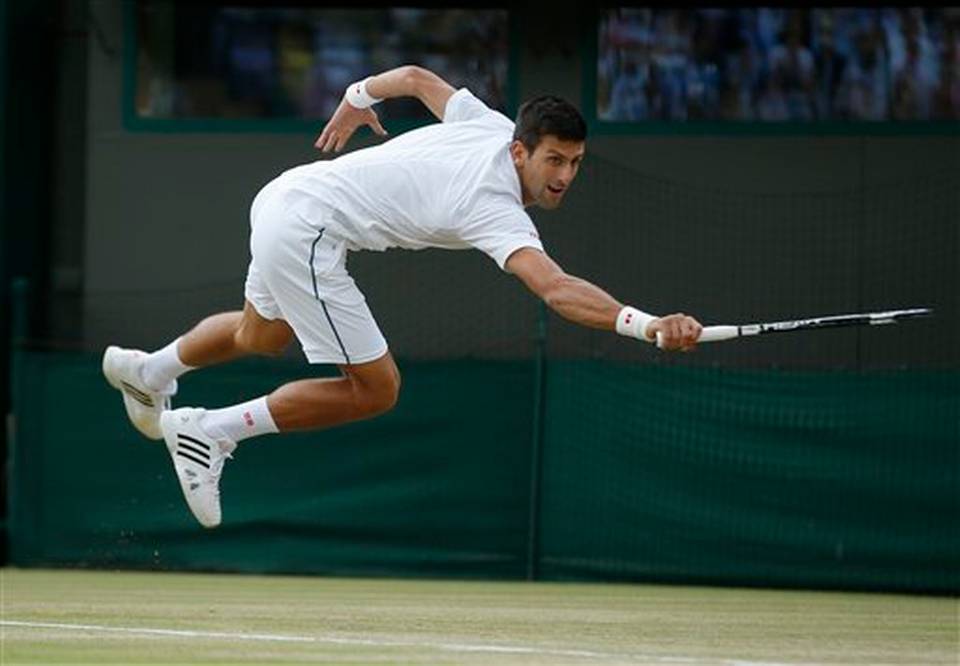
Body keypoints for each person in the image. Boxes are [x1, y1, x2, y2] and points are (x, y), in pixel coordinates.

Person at [102, 65, 703, 528]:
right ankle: (213, 429)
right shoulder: (493, 207)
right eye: (554, 159)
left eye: (574, 162)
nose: (564, 175)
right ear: (521, 151)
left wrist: (358, 97)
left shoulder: (486, 124)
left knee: (259, 335)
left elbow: (414, 80)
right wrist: (647, 324)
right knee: (376, 389)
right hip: (309, 228)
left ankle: (148, 370)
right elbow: (557, 289)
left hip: (284, 197)